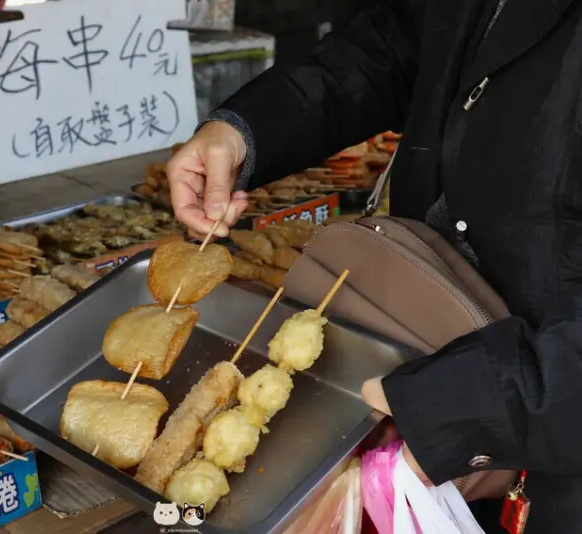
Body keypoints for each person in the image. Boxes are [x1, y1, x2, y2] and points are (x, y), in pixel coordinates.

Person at [166, 0, 582, 531]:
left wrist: (465, 407)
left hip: (544, 442)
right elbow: (394, 47)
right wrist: (244, 130)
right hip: (429, 370)